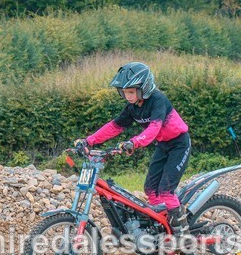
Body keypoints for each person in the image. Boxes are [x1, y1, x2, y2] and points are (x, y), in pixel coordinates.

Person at [75, 62, 192, 235]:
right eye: (124, 92)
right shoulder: (132, 108)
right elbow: (114, 126)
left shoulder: (158, 100)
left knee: (166, 190)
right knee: (151, 190)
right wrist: (89, 141)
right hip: (163, 145)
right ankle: (161, 227)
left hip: (179, 144)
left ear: (144, 88)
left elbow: (154, 128)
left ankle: (182, 233)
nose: (128, 96)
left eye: (131, 92)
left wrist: (134, 142)